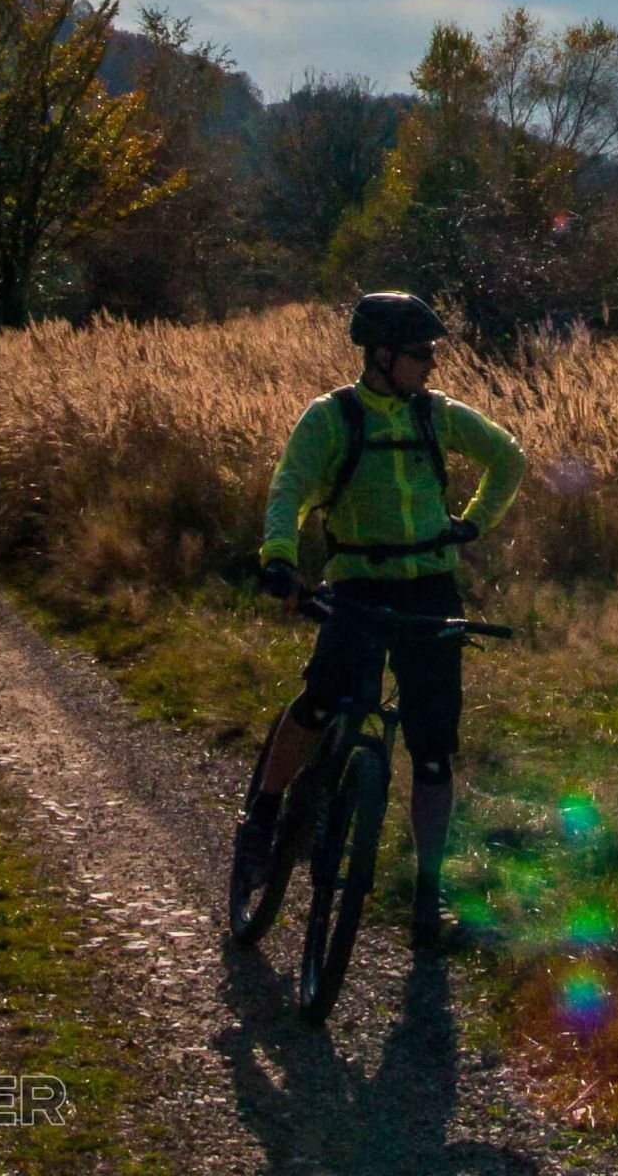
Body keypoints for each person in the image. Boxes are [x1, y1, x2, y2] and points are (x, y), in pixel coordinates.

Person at [236, 289, 527, 950]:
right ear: (383, 356)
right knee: (320, 701)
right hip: (358, 587)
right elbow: (290, 488)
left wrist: (474, 523)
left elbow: (509, 457)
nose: (432, 364)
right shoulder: (331, 418)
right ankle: (263, 817)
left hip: (430, 589)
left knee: (433, 752)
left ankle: (429, 892)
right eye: (422, 354)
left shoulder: (437, 414)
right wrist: (280, 558)